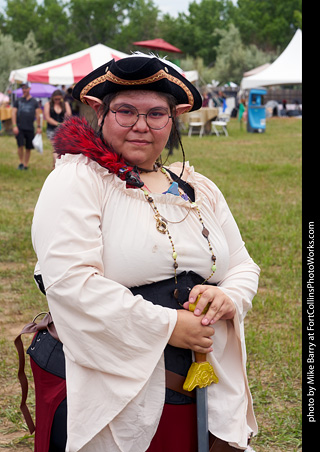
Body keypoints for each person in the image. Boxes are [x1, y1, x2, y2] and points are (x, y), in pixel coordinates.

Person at [30, 54, 260, 452]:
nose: (141, 125)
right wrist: (169, 326)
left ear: (173, 121)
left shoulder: (196, 187)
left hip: (204, 383)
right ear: (100, 114)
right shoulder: (78, 178)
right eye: (125, 111)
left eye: (156, 114)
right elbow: (70, 283)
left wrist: (228, 296)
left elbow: (241, 264)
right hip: (115, 383)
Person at [11, 82, 42, 170]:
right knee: (20, 145)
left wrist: (39, 127)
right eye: (23, 88)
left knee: (28, 147)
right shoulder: (18, 101)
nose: (24, 90)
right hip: (19, 127)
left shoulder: (34, 102)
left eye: (25, 88)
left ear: (29, 89)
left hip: (30, 127)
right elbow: (13, 113)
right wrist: (14, 125)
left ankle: (25, 164)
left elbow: (38, 114)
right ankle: (21, 162)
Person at [43, 89, 72, 167]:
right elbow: (48, 118)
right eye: (56, 99)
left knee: (61, 149)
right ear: (52, 98)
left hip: (62, 130)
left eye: (59, 99)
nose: (57, 101)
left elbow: (69, 115)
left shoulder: (65, 104)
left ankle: (55, 166)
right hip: (52, 129)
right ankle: (57, 166)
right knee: (56, 148)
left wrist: (66, 113)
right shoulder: (48, 104)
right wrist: (59, 124)